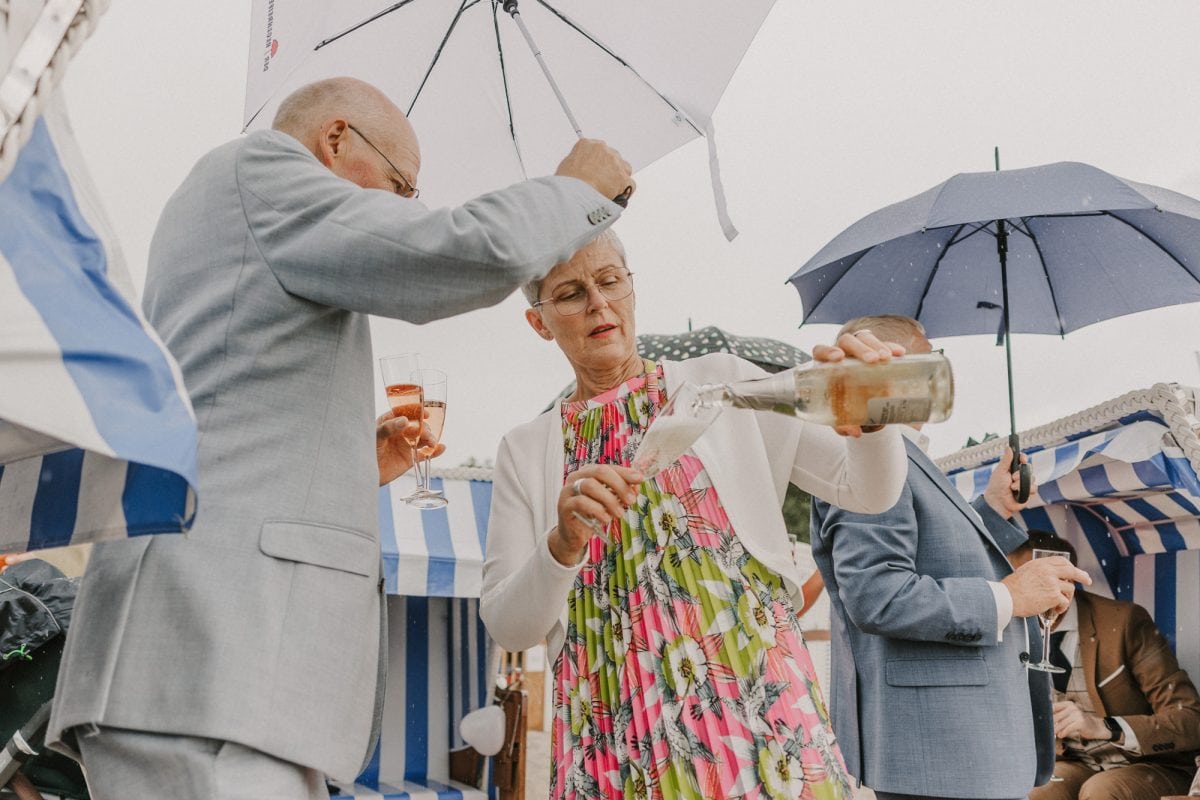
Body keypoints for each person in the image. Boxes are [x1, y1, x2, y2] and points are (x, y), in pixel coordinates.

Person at [46, 76, 635, 799]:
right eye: (400, 185)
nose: (398, 208)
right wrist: (571, 191)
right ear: (334, 140)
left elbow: (232, 421)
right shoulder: (261, 173)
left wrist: (356, 467)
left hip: (215, 677)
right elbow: (451, 254)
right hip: (215, 667)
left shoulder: (230, 208)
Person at [481, 231, 911, 800]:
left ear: (631, 286)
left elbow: (865, 490)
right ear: (539, 321)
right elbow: (509, 624)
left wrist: (875, 424)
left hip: (757, 709)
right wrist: (562, 543)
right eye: (570, 293)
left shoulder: (725, 384)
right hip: (611, 729)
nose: (599, 304)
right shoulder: (526, 448)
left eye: (610, 281)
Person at [808, 314, 1093, 800]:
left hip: (959, 750)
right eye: (932, 354)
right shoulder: (869, 458)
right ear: (893, 366)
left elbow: (939, 559)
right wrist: (1008, 597)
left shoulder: (906, 456)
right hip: (939, 751)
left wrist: (996, 508)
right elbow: (877, 595)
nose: (944, 367)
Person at [1012, 532, 1200, 800]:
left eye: (1029, 580)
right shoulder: (1013, 630)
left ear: (1066, 582)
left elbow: (1191, 719)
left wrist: (1104, 727)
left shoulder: (1123, 622)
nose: (1016, 590)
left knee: (1101, 790)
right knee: (1038, 792)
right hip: (1076, 762)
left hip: (1147, 763)